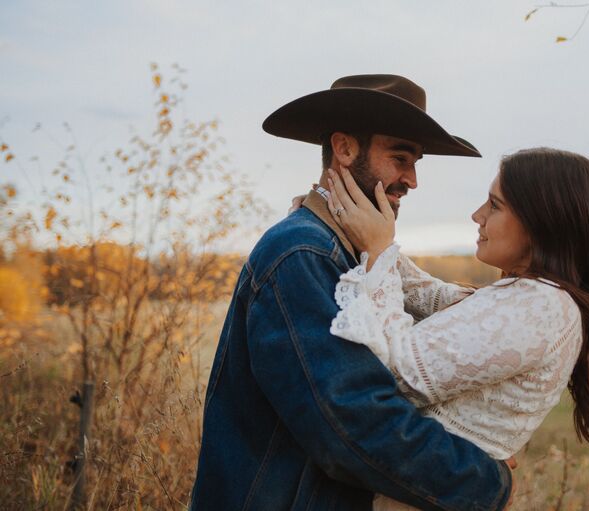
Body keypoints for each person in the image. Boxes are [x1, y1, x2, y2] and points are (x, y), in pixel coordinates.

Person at [190, 75, 515, 510]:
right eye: (400, 157)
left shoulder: (348, 255)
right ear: (344, 149)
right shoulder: (302, 253)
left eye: (416, 162)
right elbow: (351, 420)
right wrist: (484, 482)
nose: (412, 180)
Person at [322, 147, 589, 510]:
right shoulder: (538, 297)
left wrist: (378, 253)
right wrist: (373, 240)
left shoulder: (540, 306)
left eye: (494, 205)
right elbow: (437, 298)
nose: (477, 215)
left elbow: (394, 375)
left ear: (541, 222)